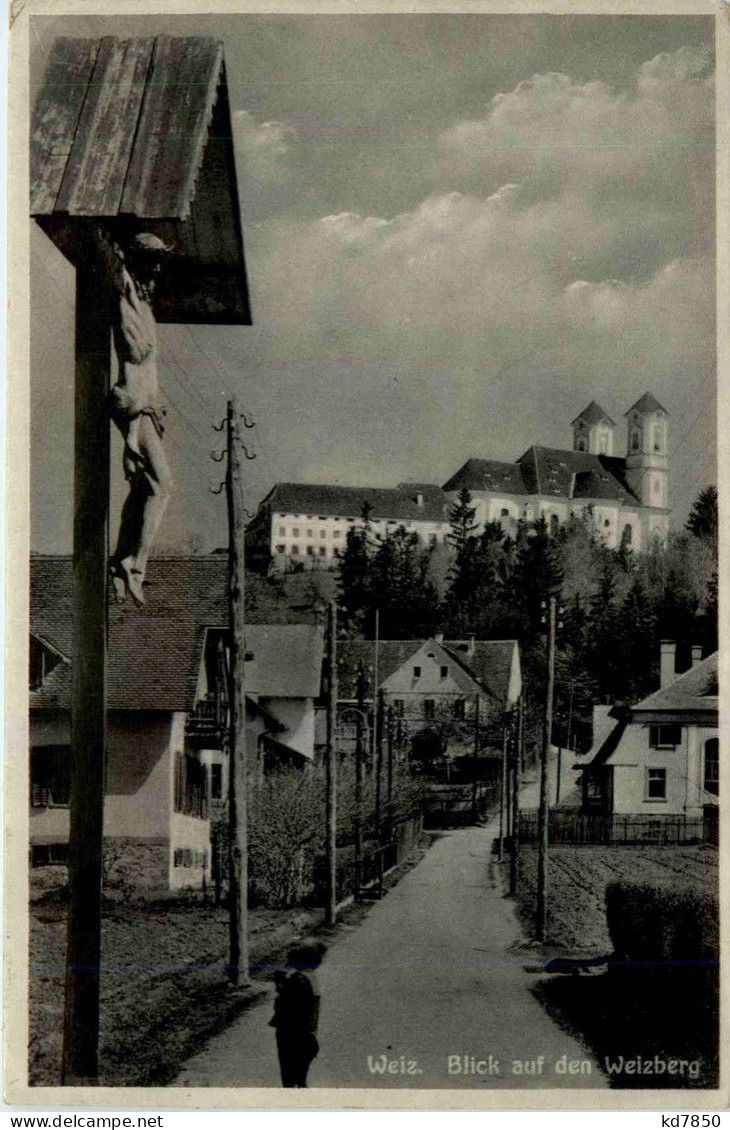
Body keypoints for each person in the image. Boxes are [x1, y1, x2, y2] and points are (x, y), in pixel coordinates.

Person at [107, 232, 174, 606]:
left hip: (143, 402)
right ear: (138, 261)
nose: (158, 267)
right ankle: (134, 565)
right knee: (162, 485)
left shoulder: (143, 304)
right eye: (153, 259)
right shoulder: (128, 293)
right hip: (133, 400)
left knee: (146, 487)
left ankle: (123, 561)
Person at [269, 939, 327, 1087]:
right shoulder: (311, 978)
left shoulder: (298, 980)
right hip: (306, 1033)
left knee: (288, 1075)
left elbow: (284, 1001)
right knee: (300, 1076)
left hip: (291, 1032)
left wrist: (281, 980)